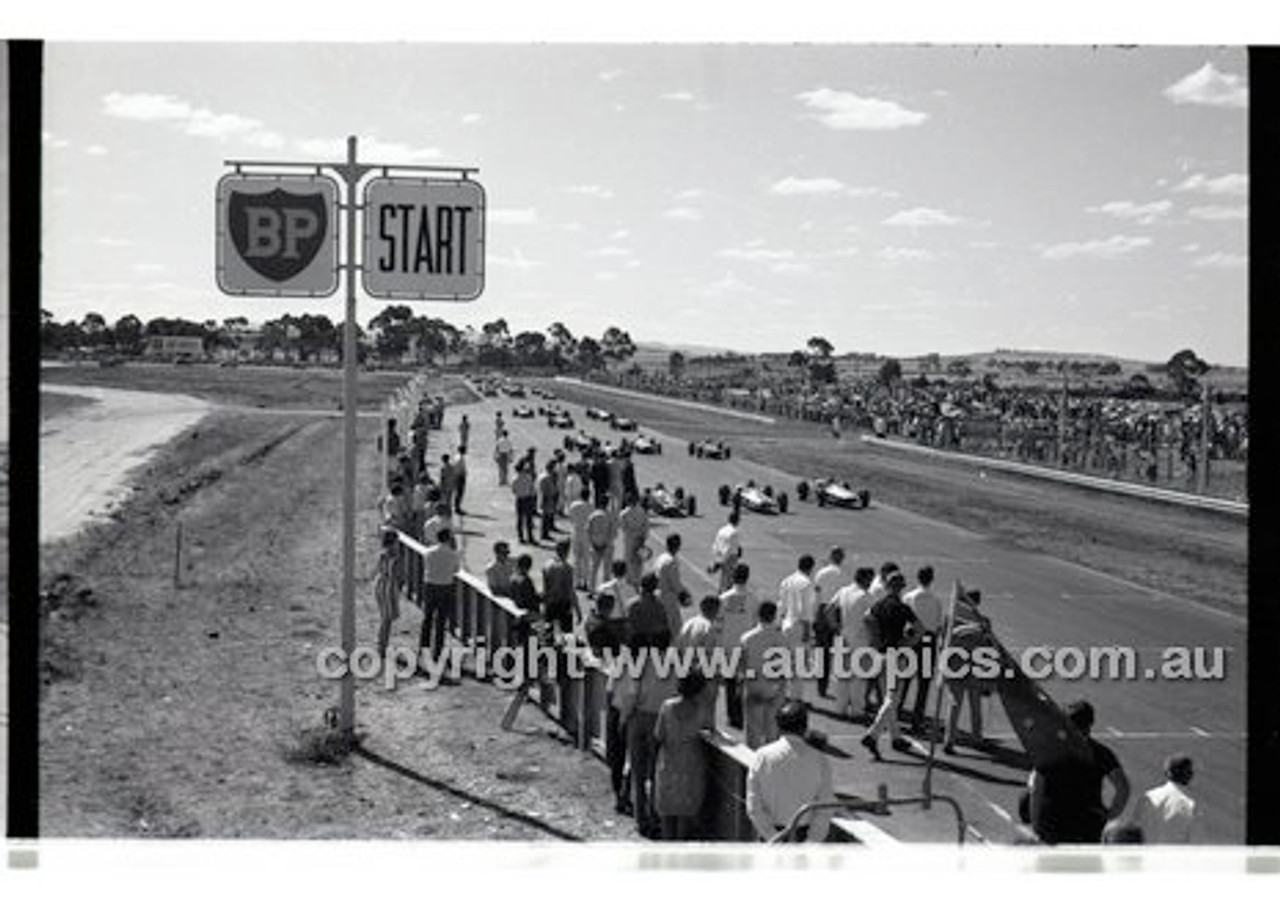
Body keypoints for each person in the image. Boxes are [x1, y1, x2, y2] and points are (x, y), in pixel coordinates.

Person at [1028, 699, 1131, 844]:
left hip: (1053, 824)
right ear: (1091, 723)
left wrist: (1036, 826)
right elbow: (1123, 788)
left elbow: (1036, 789)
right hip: (1088, 825)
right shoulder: (1101, 753)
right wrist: (1110, 815)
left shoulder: (1050, 751)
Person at [614, 631, 677, 838]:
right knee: (657, 771)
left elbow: (632, 694)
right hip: (664, 718)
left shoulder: (642, 662)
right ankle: (656, 816)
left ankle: (642, 819)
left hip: (640, 717)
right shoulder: (677, 663)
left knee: (638, 771)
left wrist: (623, 719)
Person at [746, 701, 835, 843]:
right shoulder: (820, 760)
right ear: (805, 727)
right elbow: (824, 808)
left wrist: (773, 838)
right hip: (804, 837)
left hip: (770, 839)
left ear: (778, 726)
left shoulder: (762, 756)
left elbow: (754, 806)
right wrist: (811, 843)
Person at [859, 571, 921, 760]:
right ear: (901, 588)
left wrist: (875, 639)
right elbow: (920, 629)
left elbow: (866, 618)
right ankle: (873, 734)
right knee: (893, 698)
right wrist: (908, 642)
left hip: (880, 654)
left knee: (887, 698)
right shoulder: (903, 608)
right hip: (895, 655)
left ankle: (896, 737)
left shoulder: (879, 605)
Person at [654, 669, 710, 840]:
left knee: (666, 814)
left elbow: (658, 735)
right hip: (691, 767)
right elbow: (709, 732)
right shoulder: (703, 711)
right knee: (685, 817)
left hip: (669, 763)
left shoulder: (667, 707)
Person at [899, 565, 943, 733]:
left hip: (911, 639)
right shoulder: (936, 599)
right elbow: (939, 627)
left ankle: (897, 715)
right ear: (931, 579)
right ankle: (917, 720)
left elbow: (903, 621)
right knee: (923, 684)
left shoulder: (908, 597)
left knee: (904, 680)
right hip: (928, 641)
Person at [740, 601, 789, 749]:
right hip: (774, 686)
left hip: (754, 686)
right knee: (772, 729)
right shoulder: (781, 638)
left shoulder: (747, 638)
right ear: (774, 616)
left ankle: (752, 764)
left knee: (753, 730)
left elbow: (742, 664)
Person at [831, 566, 877, 718]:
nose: (871, 582)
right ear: (864, 579)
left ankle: (840, 708)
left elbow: (829, 610)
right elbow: (871, 620)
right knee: (858, 679)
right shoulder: (866, 597)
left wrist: (837, 628)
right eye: (870, 579)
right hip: (861, 640)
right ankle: (857, 711)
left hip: (844, 636)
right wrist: (874, 637)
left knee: (842, 677)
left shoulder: (843, 591)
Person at [718, 563, 758, 731]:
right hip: (745, 646)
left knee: (729, 683)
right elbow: (756, 623)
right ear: (747, 578)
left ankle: (731, 716)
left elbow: (718, 624)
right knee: (744, 683)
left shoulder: (723, 598)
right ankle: (742, 714)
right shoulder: (753, 598)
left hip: (727, 646)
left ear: (733, 577)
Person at [675, 596, 723, 728]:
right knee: (705, 716)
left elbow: (678, 648)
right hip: (701, 677)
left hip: (685, 672)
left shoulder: (688, 623)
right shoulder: (709, 627)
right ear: (715, 609)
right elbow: (709, 656)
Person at [419, 527, 461, 678]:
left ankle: (423, 647)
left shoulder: (429, 552)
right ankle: (438, 651)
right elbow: (456, 570)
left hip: (430, 585)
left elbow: (426, 567)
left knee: (427, 618)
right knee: (441, 621)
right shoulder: (453, 554)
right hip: (445, 586)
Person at [777, 554, 818, 701]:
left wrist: (779, 623)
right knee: (799, 665)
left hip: (786, 624)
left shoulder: (787, 580)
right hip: (799, 626)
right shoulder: (806, 583)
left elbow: (781, 605)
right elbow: (804, 609)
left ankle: (783, 694)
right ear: (811, 567)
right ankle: (796, 697)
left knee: (785, 662)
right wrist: (807, 630)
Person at [812, 547, 850, 698]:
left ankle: (822, 686)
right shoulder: (845, 575)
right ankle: (842, 689)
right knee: (839, 651)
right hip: (837, 611)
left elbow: (816, 596)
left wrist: (815, 615)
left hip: (823, 611)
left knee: (822, 651)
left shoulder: (821, 573)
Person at [1132, 755, 1196, 844]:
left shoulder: (1147, 797)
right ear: (1190, 775)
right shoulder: (1190, 803)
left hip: (1147, 854)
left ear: (1167, 773)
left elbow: (1134, 830)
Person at [653, 533, 692, 638]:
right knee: (675, 627)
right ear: (678, 546)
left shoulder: (661, 557)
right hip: (669, 597)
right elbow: (675, 583)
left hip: (659, 594)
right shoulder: (671, 561)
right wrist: (685, 594)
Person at [542, 539, 581, 638]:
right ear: (567, 551)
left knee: (548, 635)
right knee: (567, 636)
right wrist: (578, 611)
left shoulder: (546, 565)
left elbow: (545, 587)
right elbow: (570, 591)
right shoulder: (567, 568)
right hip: (563, 604)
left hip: (550, 603)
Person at [626, 572, 672, 649]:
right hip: (655, 642)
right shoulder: (659, 604)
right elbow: (665, 623)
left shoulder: (632, 604)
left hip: (638, 643)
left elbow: (629, 625)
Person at [374, 528, 401, 658]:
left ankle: (381, 644)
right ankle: (382, 647)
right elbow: (397, 575)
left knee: (384, 618)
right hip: (389, 587)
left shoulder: (381, 554)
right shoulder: (395, 557)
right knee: (387, 619)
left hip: (380, 584)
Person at [618, 493, 650, 588]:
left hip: (629, 539)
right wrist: (644, 537)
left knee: (628, 559)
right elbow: (646, 525)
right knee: (639, 560)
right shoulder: (642, 511)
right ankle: (638, 579)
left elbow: (623, 527)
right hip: (640, 539)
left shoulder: (624, 513)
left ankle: (630, 579)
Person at [586, 497, 618, 590]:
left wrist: (592, 543)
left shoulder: (592, 516)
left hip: (595, 544)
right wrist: (607, 543)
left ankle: (591, 589)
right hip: (607, 546)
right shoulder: (610, 516)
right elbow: (613, 533)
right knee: (607, 570)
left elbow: (588, 531)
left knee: (593, 569)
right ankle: (605, 591)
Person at [709, 510, 743, 594]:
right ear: (737, 520)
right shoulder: (734, 532)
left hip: (720, 555)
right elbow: (730, 548)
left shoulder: (721, 530)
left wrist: (717, 559)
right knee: (729, 582)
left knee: (722, 580)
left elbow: (715, 545)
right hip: (730, 558)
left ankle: (720, 595)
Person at [567, 486, 593, 590]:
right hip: (586, 534)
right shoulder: (591, 506)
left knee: (576, 558)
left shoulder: (573, 505)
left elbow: (571, 519)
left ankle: (577, 581)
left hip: (576, 532)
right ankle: (586, 581)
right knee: (586, 559)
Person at [511, 460, 537, 544]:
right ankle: (530, 537)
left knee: (520, 520)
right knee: (529, 520)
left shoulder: (515, 479)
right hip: (528, 499)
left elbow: (514, 491)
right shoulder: (528, 478)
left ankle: (521, 537)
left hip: (519, 500)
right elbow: (532, 490)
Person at [537, 460, 559, 541]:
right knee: (546, 517)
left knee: (545, 517)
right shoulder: (547, 477)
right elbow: (552, 489)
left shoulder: (542, 475)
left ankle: (544, 533)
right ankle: (544, 534)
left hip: (543, 497)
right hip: (547, 497)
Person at [452, 446, 469, 515]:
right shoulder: (460, 458)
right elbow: (460, 468)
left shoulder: (456, 456)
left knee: (458, 492)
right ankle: (457, 507)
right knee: (459, 492)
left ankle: (457, 506)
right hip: (460, 476)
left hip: (457, 476)